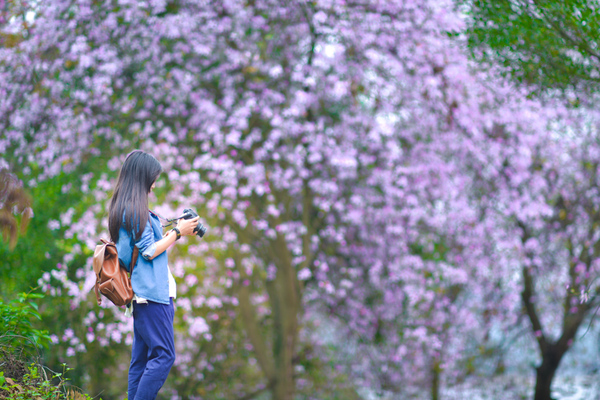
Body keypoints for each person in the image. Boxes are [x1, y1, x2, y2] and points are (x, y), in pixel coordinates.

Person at [107, 150, 199, 400]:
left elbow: (146, 246)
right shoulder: (133, 211)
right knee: (164, 355)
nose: (155, 184)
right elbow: (148, 251)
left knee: (141, 359)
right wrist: (177, 232)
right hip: (151, 294)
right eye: (153, 178)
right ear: (142, 178)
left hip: (145, 294)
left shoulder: (127, 209)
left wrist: (176, 227)